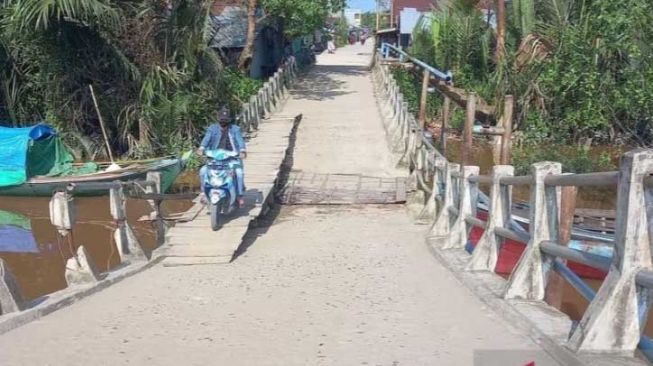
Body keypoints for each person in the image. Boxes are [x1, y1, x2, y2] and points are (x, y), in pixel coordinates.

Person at [197, 107, 247, 207]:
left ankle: (239, 195)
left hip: (231, 158)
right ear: (218, 119)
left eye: (225, 120)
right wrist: (201, 148)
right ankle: (203, 193)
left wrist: (242, 151)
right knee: (203, 171)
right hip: (215, 158)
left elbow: (240, 141)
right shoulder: (212, 128)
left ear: (229, 120)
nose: (223, 122)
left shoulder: (235, 129)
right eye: (221, 119)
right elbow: (206, 139)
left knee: (239, 173)